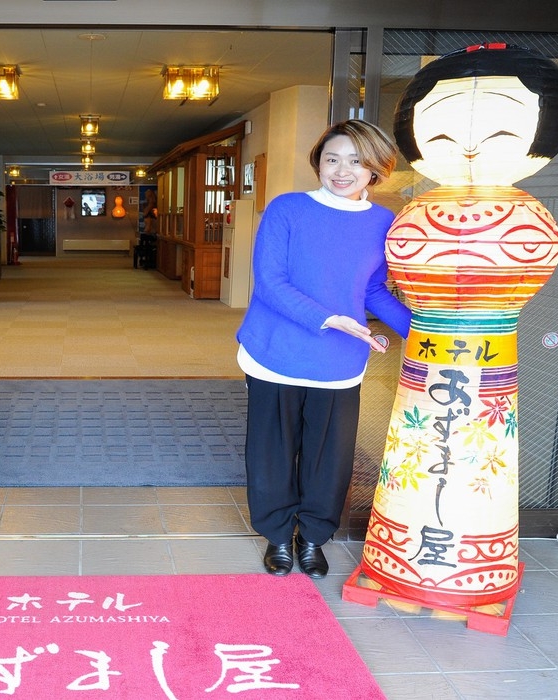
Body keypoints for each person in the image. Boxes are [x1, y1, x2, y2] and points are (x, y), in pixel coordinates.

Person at [235, 119, 411, 578]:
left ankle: (313, 536)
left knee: (329, 456)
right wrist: (329, 319)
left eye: (356, 161)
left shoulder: (383, 222)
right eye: (332, 159)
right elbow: (271, 282)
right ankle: (277, 535)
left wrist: (422, 331)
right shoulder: (287, 209)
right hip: (275, 352)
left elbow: (372, 289)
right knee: (273, 450)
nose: (342, 170)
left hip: (340, 361)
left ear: (376, 169)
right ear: (318, 162)